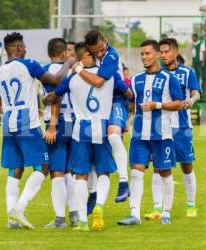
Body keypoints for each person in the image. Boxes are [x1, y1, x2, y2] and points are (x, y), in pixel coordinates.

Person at [45, 42, 131, 231]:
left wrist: (46, 98)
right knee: (103, 172)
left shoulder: (72, 79)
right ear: (92, 55)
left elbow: (53, 97)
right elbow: (128, 93)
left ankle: (83, 220)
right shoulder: (109, 75)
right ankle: (99, 205)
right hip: (102, 128)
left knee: (81, 176)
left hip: (80, 131)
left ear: (79, 58)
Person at [0, 32, 72, 230]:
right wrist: (69, 64)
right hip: (27, 121)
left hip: (8, 122)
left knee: (15, 169)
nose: (26, 49)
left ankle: (11, 219)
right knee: (43, 166)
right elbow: (54, 80)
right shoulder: (28, 64)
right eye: (24, 46)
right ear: (18, 47)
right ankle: (19, 208)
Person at [117, 40, 183, 226]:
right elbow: (132, 105)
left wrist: (158, 105)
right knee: (137, 172)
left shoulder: (170, 78)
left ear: (156, 55)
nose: (144, 57)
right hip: (139, 134)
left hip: (162, 134)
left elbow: (179, 103)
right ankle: (134, 215)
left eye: (147, 53)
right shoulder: (137, 79)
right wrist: (122, 120)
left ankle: (166, 212)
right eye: (142, 54)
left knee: (165, 172)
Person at [144, 38, 201, 221]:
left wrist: (191, 101)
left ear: (175, 52)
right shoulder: (155, 75)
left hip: (181, 126)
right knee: (158, 167)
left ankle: (191, 204)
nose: (163, 55)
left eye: (166, 51)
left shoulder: (186, 72)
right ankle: (157, 208)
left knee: (186, 165)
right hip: (159, 126)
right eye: (160, 51)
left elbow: (195, 92)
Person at [73, 30, 130, 206]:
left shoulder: (112, 55)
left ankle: (123, 182)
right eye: (95, 51)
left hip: (116, 102)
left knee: (113, 136)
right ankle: (94, 192)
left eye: (101, 49)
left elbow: (99, 82)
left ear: (105, 41)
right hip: (98, 107)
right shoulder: (92, 56)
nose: (99, 54)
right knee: (92, 149)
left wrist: (78, 68)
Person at [40, 38, 78, 229]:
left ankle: (59, 219)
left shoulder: (49, 71)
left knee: (56, 172)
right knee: (68, 172)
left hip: (58, 122)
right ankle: (75, 214)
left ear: (49, 53)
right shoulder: (73, 69)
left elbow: (55, 98)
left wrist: (52, 125)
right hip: (72, 122)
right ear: (64, 53)